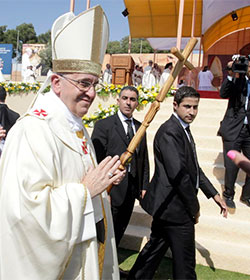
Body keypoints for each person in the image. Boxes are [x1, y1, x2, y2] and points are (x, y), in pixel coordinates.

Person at [0, 6, 125, 279]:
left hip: (87, 254)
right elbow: (23, 215)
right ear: (56, 82)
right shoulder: (32, 131)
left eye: (95, 84)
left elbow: (85, 184)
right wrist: (86, 191)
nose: (91, 93)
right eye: (83, 83)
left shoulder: (75, 127)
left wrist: (104, 183)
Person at [128, 86, 227, 280]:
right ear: (175, 105)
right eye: (187, 106)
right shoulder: (170, 132)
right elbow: (179, 176)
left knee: (153, 252)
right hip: (175, 210)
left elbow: (194, 168)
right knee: (185, 264)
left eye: (195, 107)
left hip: (169, 208)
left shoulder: (183, 130)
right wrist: (194, 209)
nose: (192, 112)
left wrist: (214, 194)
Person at [91, 85, 149, 248]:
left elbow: (143, 158)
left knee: (120, 229)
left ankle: (113, 267)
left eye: (132, 99)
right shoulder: (104, 125)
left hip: (131, 189)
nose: (128, 103)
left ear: (137, 103)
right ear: (118, 101)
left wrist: (144, 185)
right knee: (107, 232)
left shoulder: (140, 128)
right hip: (111, 189)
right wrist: (104, 185)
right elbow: (96, 159)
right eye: (125, 98)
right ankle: (103, 269)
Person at [217, 59, 250, 208]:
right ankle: (228, 194)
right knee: (231, 165)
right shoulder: (238, 80)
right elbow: (223, 93)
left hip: (248, 131)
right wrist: (231, 72)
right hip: (233, 130)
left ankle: (247, 195)